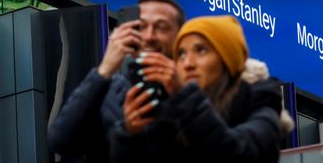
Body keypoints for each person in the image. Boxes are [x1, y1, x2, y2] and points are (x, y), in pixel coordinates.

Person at [109, 15, 283, 162]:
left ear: (228, 61)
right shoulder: (169, 115)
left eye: (201, 50)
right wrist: (129, 133)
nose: (187, 64)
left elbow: (238, 153)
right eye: (181, 54)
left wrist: (183, 95)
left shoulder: (261, 107)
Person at [47, 0, 185, 162]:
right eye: (141, 27)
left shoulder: (197, 89)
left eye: (161, 27)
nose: (149, 36)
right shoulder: (109, 91)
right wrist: (104, 69)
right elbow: (60, 141)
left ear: (179, 38)